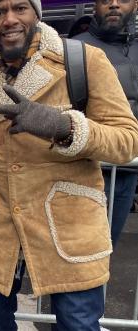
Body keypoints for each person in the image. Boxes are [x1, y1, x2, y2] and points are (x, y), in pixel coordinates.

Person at [0, 0, 138, 330]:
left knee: (77, 325)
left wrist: (64, 127)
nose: (10, 19)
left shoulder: (83, 62)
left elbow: (127, 141)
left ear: (36, 14)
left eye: (20, 8)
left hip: (68, 231)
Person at [73, 0, 138, 247]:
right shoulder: (76, 47)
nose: (113, 4)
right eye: (104, 0)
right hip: (85, 167)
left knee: (106, 249)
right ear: (94, 6)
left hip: (127, 168)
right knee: (79, 251)